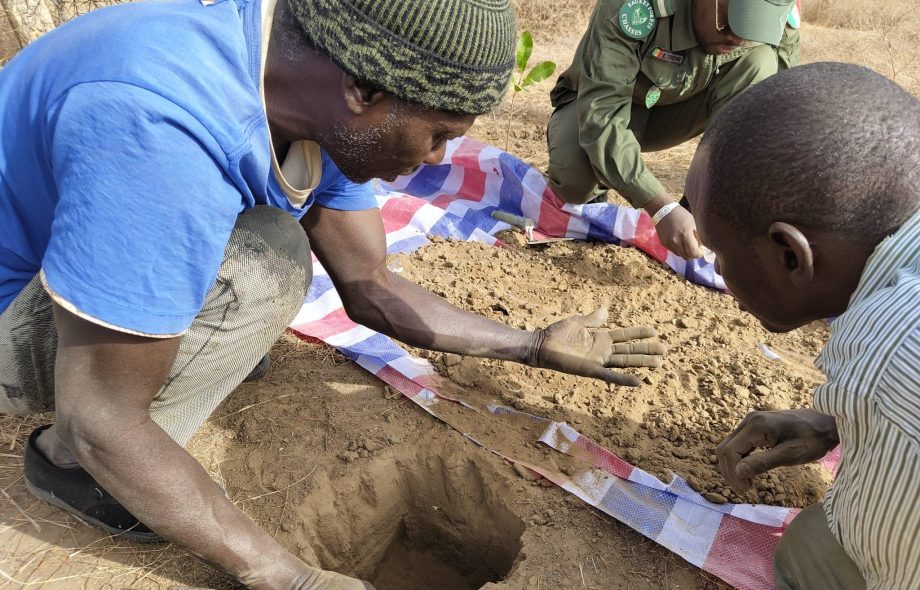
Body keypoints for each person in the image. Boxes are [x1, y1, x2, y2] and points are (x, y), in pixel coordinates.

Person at [0, 0, 668, 587]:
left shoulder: (299, 81)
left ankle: (178, 340)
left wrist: (531, 344)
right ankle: (70, 473)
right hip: (13, 316)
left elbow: (370, 283)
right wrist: (287, 577)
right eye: (438, 133)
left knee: (265, 248)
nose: (437, 159)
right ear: (360, 89)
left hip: (86, 242)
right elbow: (102, 419)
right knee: (267, 259)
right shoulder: (160, 128)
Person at [686, 62, 919, 589]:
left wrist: (876, 406)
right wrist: (843, 421)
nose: (717, 271)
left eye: (718, 251)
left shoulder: (894, 360)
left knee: (811, 549)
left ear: (790, 255)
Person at [547, 0, 800, 259]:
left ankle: (699, 211)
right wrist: (659, 207)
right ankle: (599, 193)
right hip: (605, 104)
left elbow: (778, 114)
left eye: (751, 27)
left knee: (761, 62)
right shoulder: (633, 7)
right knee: (574, 179)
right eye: (729, 21)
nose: (736, 37)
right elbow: (602, 115)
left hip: (677, 110)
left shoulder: (776, 16)